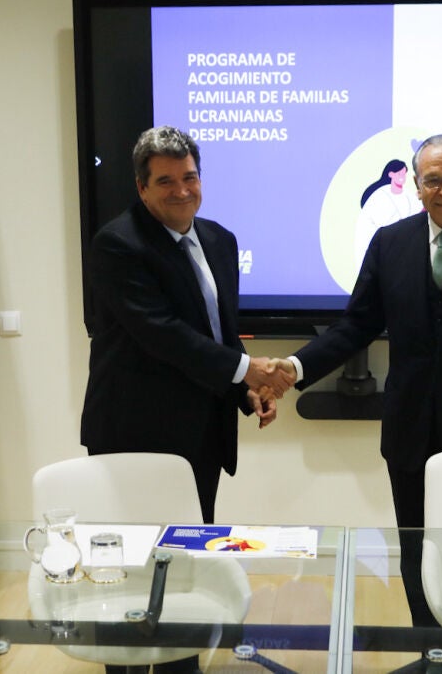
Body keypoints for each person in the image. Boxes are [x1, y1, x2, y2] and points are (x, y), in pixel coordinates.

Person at [275, 134, 442, 673]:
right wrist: (295, 367)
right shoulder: (389, 242)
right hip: (409, 436)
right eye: (433, 180)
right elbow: (356, 325)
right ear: (416, 184)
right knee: (418, 554)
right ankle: (438, 658)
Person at [81, 126, 291, 529]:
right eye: (166, 181)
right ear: (142, 188)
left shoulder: (220, 240)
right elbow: (163, 332)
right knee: (140, 554)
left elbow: (219, 332)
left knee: (194, 545)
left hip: (203, 432)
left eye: (189, 178)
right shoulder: (118, 244)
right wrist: (247, 370)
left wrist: (246, 391)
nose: (181, 191)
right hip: (135, 433)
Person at [354, 158, 421, 273]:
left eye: (404, 174)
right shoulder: (380, 196)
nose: (402, 177)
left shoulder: (408, 196)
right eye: (399, 174)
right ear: (391, 174)